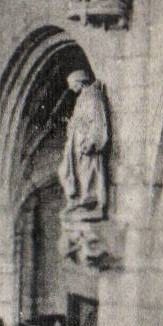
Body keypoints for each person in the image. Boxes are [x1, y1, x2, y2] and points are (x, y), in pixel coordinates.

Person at [59, 69, 109, 218]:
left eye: (72, 84)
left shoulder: (93, 96)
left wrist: (92, 141)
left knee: (88, 173)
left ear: (80, 82)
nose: (70, 87)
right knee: (65, 171)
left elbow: (97, 120)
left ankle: (90, 204)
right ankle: (76, 201)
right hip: (76, 144)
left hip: (86, 144)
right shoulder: (82, 98)